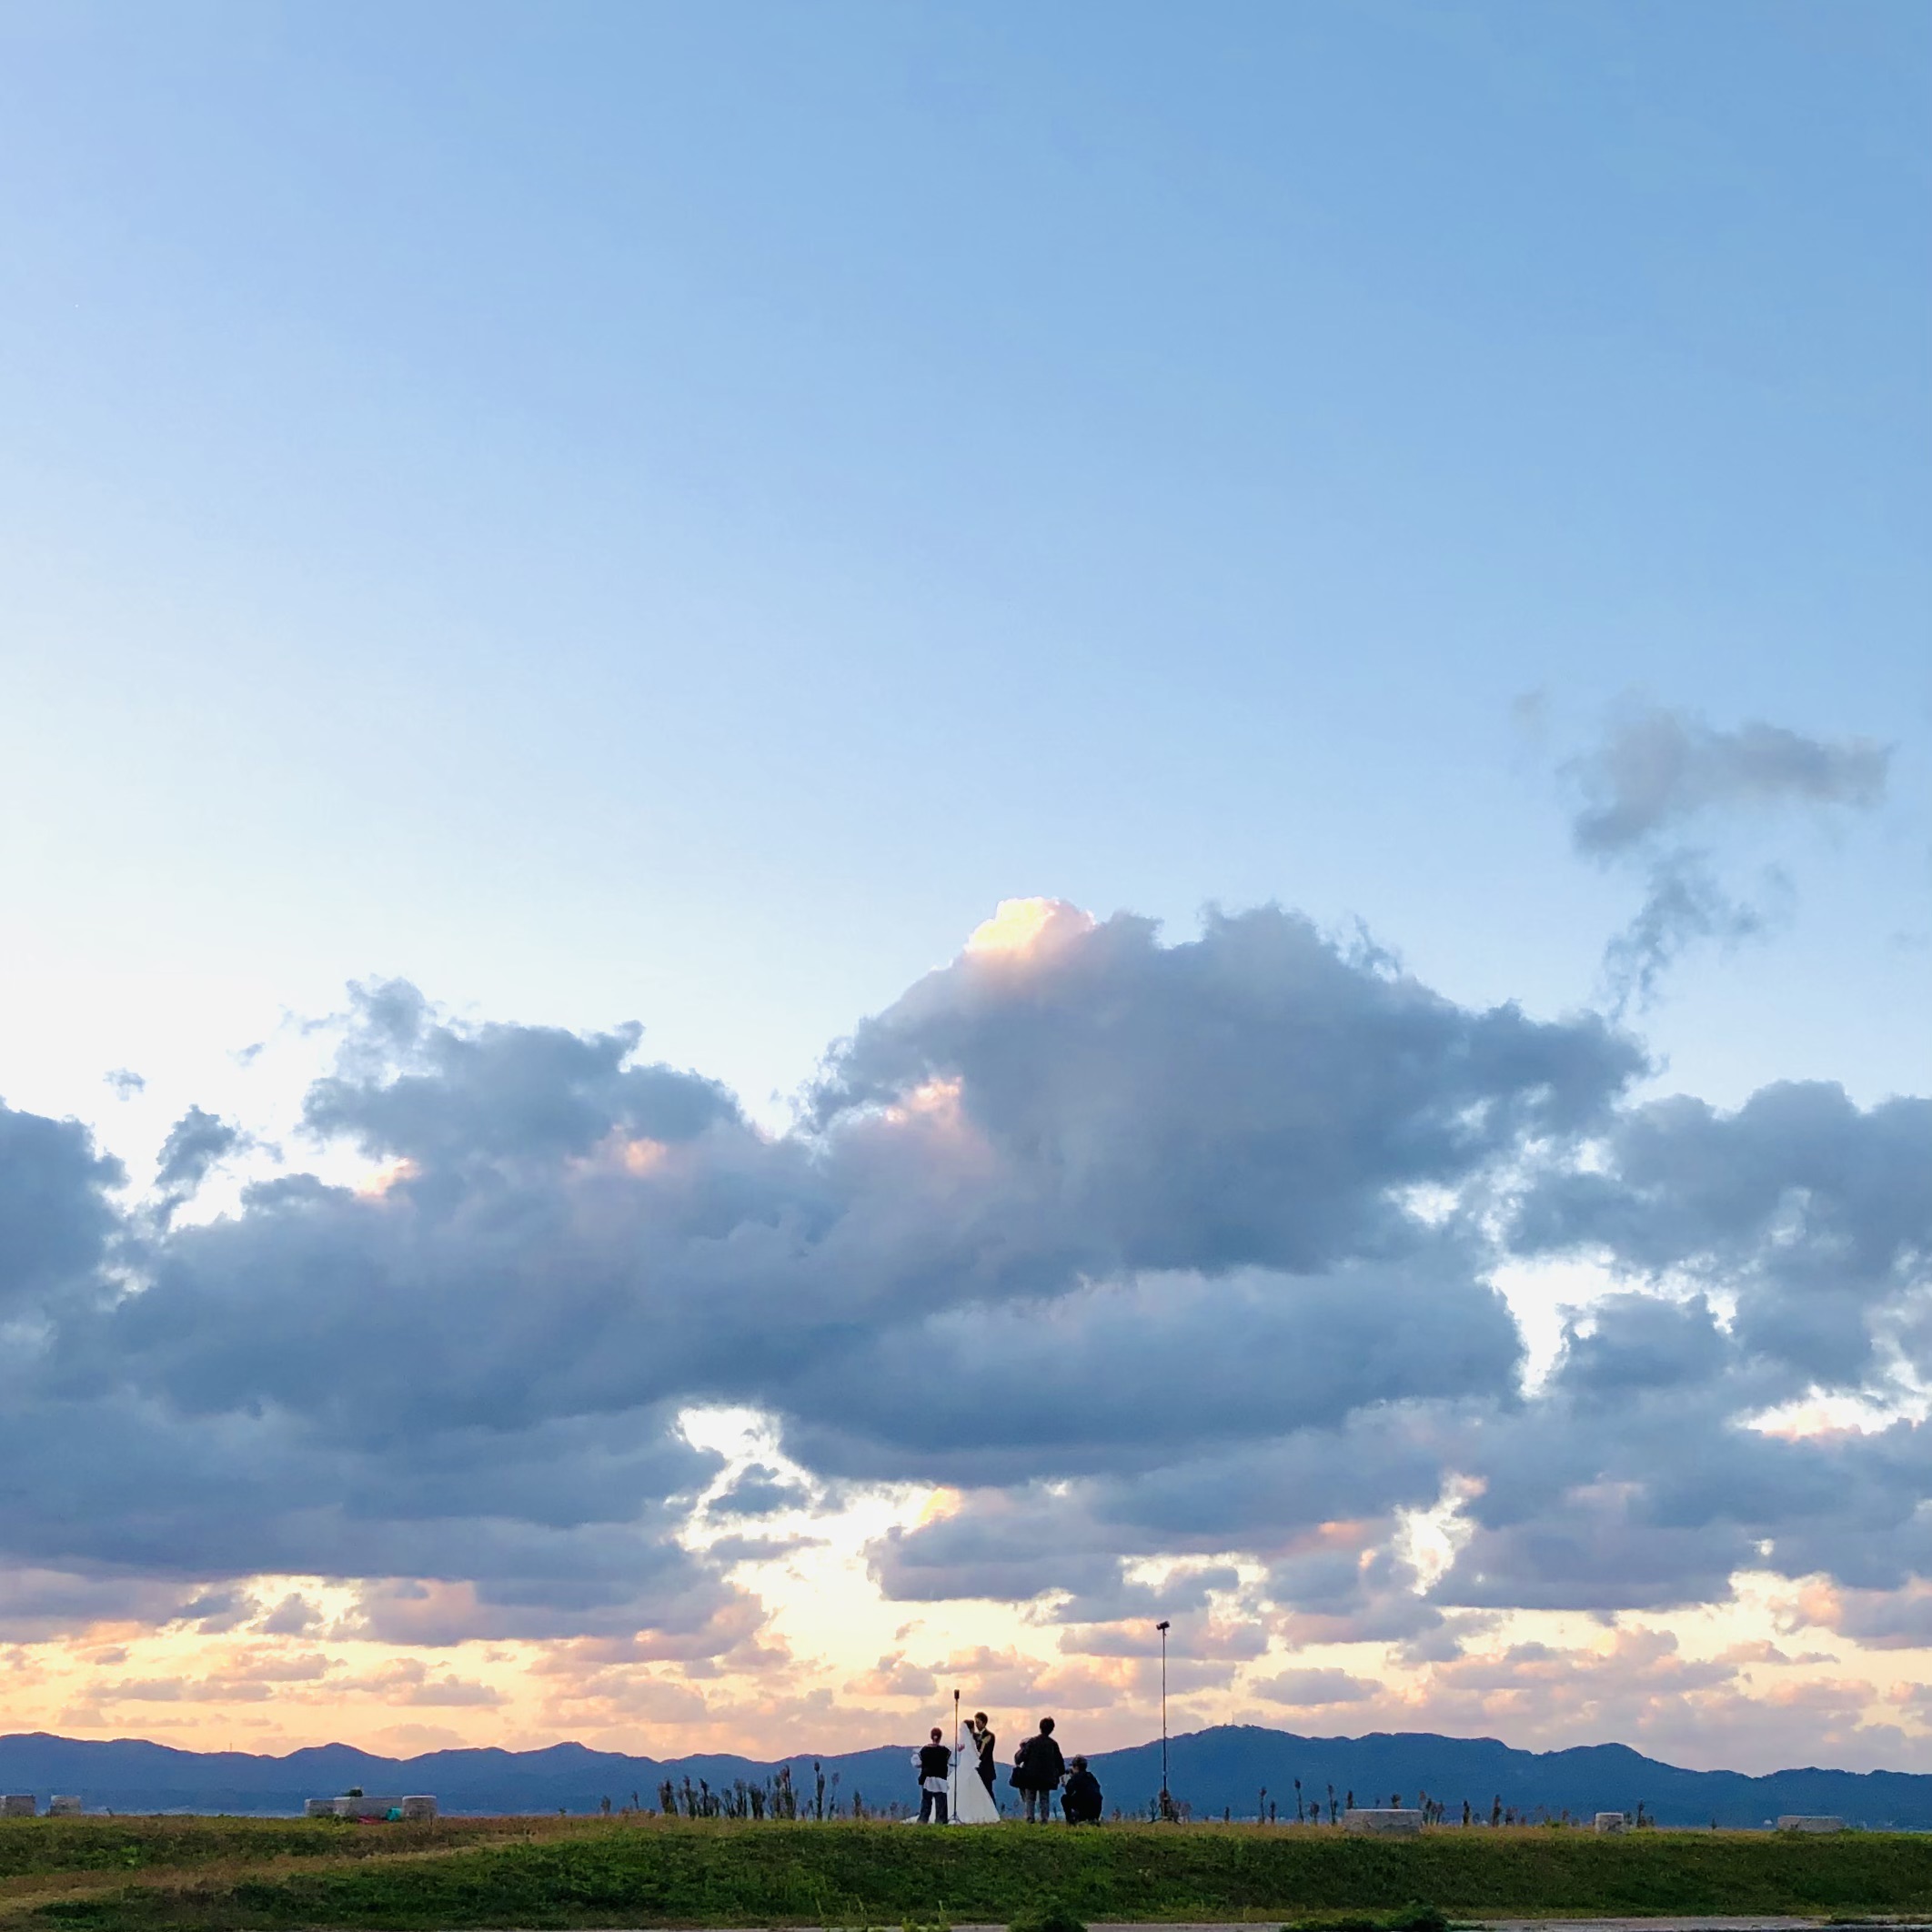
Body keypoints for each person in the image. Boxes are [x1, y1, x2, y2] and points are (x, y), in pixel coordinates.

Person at [1009, 1715, 1065, 1823]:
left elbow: (1022, 1756)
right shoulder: (1053, 1744)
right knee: (1044, 1798)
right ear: (1052, 1729)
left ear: (1040, 1727)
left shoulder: (1032, 1742)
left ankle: (1030, 1818)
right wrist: (1060, 1773)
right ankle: (1044, 1819)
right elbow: (1059, 1760)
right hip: (1047, 1777)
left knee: (1030, 1797)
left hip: (1030, 1776)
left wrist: (1018, 1759)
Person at [915, 1727, 951, 1823]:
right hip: (941, 1780)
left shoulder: (925, 1750)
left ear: (931, 1737)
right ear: (940, 1737)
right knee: (941, 1803)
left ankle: (923, 1820)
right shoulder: (945, 1751)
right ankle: (941, 1821)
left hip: (928, 1780)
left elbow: (916, 1763)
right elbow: (953, 1762)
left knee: (926, 1803)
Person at [1062, 1756, 1102, 1825]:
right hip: (1096, 1810)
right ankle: (1093, 1819)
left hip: (1084, 1808)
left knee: (1064, 1798)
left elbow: (1069, 1791)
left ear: (1076, 1767)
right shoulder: (1090, 1776)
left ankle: (1071, 1820)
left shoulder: (1076, 1778)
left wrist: (1067, 1782)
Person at [967, 1711, 997, 1798]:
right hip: (977, 1769)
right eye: (975, 1722)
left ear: (983, 1723)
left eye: (978, 1722)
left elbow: (985, 1753)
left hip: (985, 1769)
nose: (976, 1725)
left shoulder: (989, 1736)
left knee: (988, 1793)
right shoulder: (975, 1736)